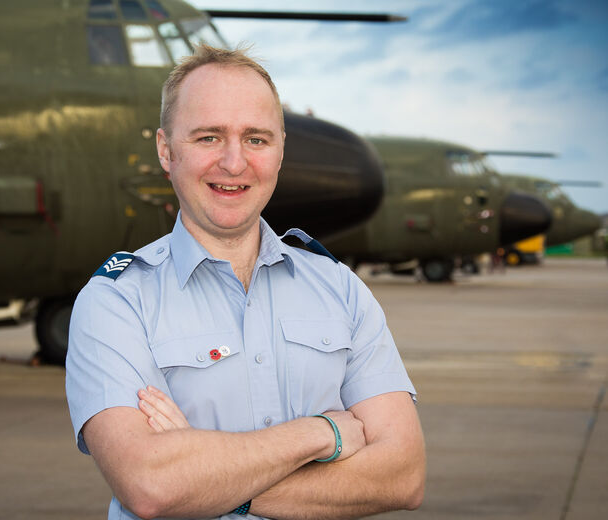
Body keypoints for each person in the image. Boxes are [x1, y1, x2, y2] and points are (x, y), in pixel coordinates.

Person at [66, 45, 425, 520]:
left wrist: (203, 476)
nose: (234, 163)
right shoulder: (114, 300)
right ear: (165, 150)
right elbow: (151, 485)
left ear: (280, 150)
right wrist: (323, 434)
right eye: (209, 137)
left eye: (256, 139)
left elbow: (403, 476)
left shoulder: (340, 288)